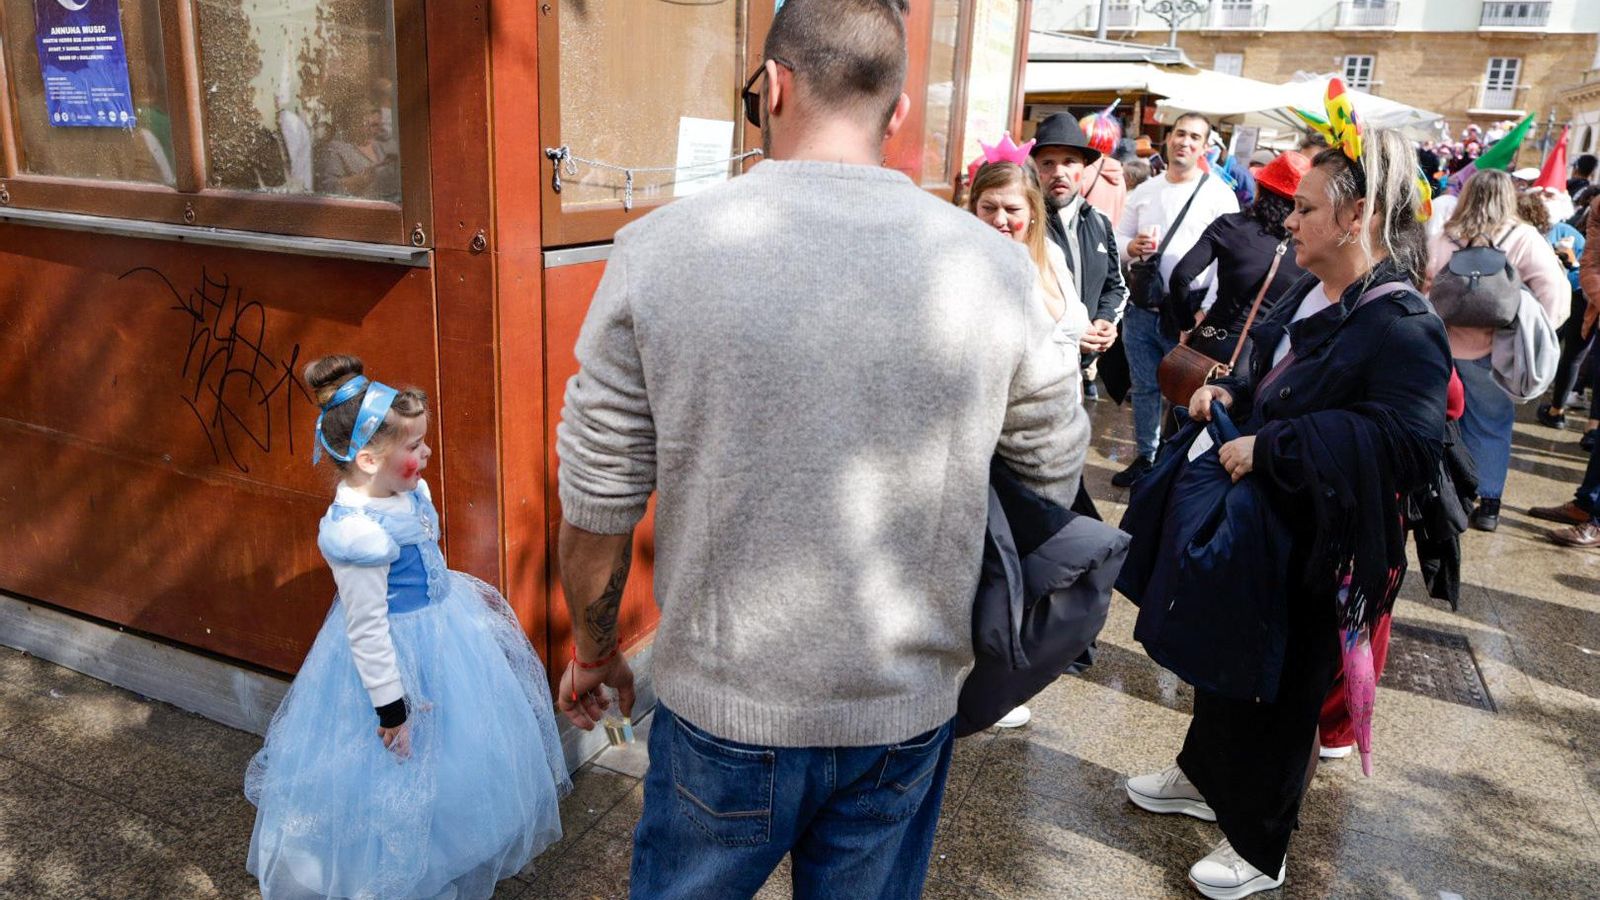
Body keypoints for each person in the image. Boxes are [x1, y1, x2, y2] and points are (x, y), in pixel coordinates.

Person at [554, 1, 1084, 896]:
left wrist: (596, 649)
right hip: (903, 702)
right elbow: (1052, 470)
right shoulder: (993, 266)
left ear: (775, 87)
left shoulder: (658, 251)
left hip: (723, 705)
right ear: (898, 110)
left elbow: (598, 498)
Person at [1126, 128, 1451, 899]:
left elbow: (1409, 442)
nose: (1287, 221)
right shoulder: (1309, 289)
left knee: (1282, 688)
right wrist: (1228, 393)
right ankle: (1202, 777)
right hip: (1256, 528)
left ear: (1356, 216)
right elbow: (1264, 367)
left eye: (1303, 208)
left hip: (1317, 545)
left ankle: (1261, 844)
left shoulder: (1403, 322)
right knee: (1224, 656)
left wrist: (1275, 449)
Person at [245, 356, 569, 900]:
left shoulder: (404, 493)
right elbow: (366, 629)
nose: (427, 454)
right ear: (369, 459)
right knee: (396, 768)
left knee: (456, 754)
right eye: (415, 448)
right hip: (393, 662)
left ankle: (449, 850)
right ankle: (387, 875)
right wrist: (391, 707)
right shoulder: (358, 535)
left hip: (444, 633)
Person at [1425, 169, 1570, 531]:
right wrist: (1534, 330)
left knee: (1440, 421)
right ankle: (1488, 503)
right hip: (1496, 349)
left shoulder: (1446, 234)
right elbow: (1553, 287)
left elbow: (1423, 278)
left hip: (1442, 345)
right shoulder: (1523, 237)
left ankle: (1446, 492)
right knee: (1492, 424)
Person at [1113, 113, 1240, 486]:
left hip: (1189, 312)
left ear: (1204, 147)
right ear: (1168, 140)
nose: (1185, 142)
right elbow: (1118, 240)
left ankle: (1173, 463)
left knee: (1185, 393)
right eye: (1180, 134)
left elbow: (1228, 262)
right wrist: (1130, 247)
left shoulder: (1219, 195)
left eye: (1194, 137)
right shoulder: (1146, 190)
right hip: (1142, 306)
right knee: (1145, 386)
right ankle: (1145, 458)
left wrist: (1207, 310)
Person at [1164, 151, 1311, 365]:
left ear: (1260, 187)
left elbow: (1180, 277)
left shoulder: (1229, 225)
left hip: (1211, 344)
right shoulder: (1307, 246)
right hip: (1266, 359)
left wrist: (1186, 324)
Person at [1031, 114, 1127, 401]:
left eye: (1069, 162)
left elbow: (1116, 286)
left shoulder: (1099, 222)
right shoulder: (1026, 225)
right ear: (1035, 169)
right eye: (1048, 163)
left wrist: (1105, 321)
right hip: (1036, 370)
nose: (1058, 171)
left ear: (1084, 168)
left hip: (1078, 373)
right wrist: (1071, 331)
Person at [1522, 191, 1590, 431]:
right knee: (1571, 354)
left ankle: (1555, 407)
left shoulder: (1571, 235)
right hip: (1577, 297)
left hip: (1578, 297)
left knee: (1568, 353)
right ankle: (1559, 410)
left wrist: (1572, 263)